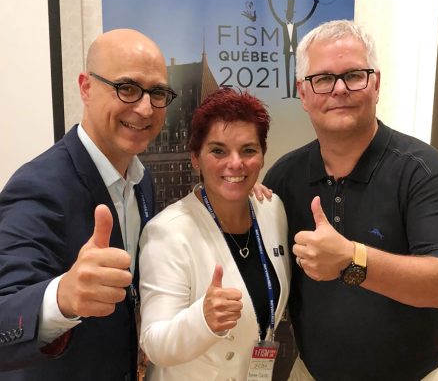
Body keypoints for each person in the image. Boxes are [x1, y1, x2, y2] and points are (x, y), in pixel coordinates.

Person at [262, 20, 438, 380]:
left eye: (354, 75)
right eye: (323, 79)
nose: (339, 89)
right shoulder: (283, 176)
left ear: (376, 83)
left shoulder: (423, 170)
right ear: (302, 92)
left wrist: (350, 259)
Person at [0, 29, 175, 380]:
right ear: (86, 87)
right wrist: (62, 297)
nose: (144, 108)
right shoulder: (39, 185)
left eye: (157, 93)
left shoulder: (143, 181)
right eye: (127, 88)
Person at [139, 88, 290, 380]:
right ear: (195, 157)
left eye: (248, 150)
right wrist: (202, 320)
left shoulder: (272, 209)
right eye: (218, 151)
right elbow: (154, 343)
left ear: (262, 155)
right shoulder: (168, 232)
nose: (235, 163)